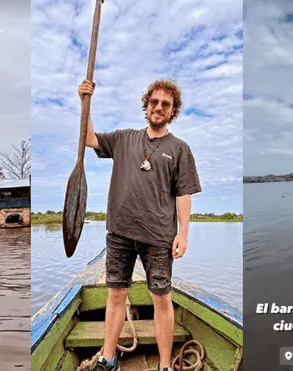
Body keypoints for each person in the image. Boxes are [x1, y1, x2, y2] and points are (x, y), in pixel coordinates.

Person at [78, 78, 201, 371]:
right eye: (154, 102)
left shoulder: (180, 149)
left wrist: (183, 233)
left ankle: (163, 366)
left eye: (166, 105)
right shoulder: (123, 138)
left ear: (173, 112)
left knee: (161, 298)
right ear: (146, 106)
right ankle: (108, 358)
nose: (159, 108)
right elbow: (88, 138)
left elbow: (183, 194)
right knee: (116, 294)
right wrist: (86, 101)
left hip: (159, 237)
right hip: (119, 232)